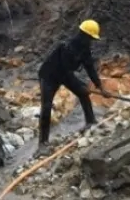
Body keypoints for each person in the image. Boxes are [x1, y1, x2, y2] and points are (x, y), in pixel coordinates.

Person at [36, 19, 108, 154]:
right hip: (49, 76)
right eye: (90, 38)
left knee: (83, 93)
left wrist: (100, 87)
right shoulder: (66, 47)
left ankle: (90, 122)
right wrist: (81, 84)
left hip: (64, 75)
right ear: (83, 35)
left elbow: (90, 68)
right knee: (46, 107)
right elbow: (65, 70)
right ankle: (43, 144)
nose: (91, 41)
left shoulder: (85, 50)